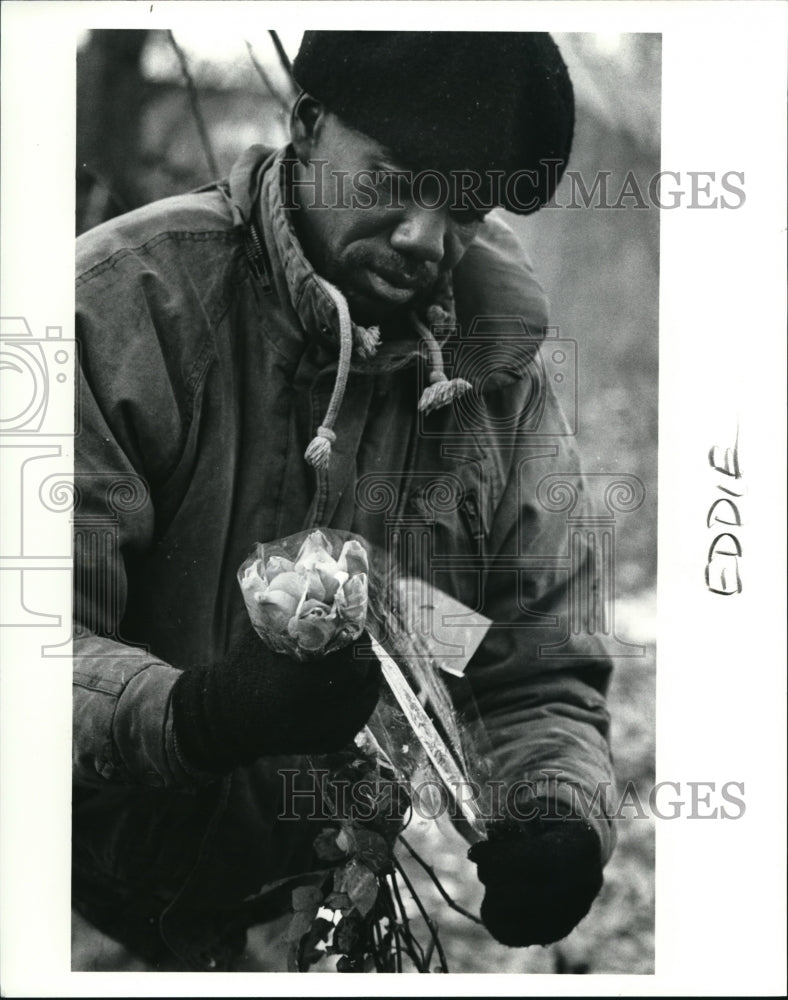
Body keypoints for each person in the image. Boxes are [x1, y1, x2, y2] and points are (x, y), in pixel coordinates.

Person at [73, 30, 616, 971]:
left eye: (464, 208)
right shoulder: (116, 310)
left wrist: (555, 814)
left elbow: (532, 666)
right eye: (396, 179)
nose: (424, 239)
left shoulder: (497, 377)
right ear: (307, 124)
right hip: (68, 905)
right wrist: (200, 714)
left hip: (325, 917)